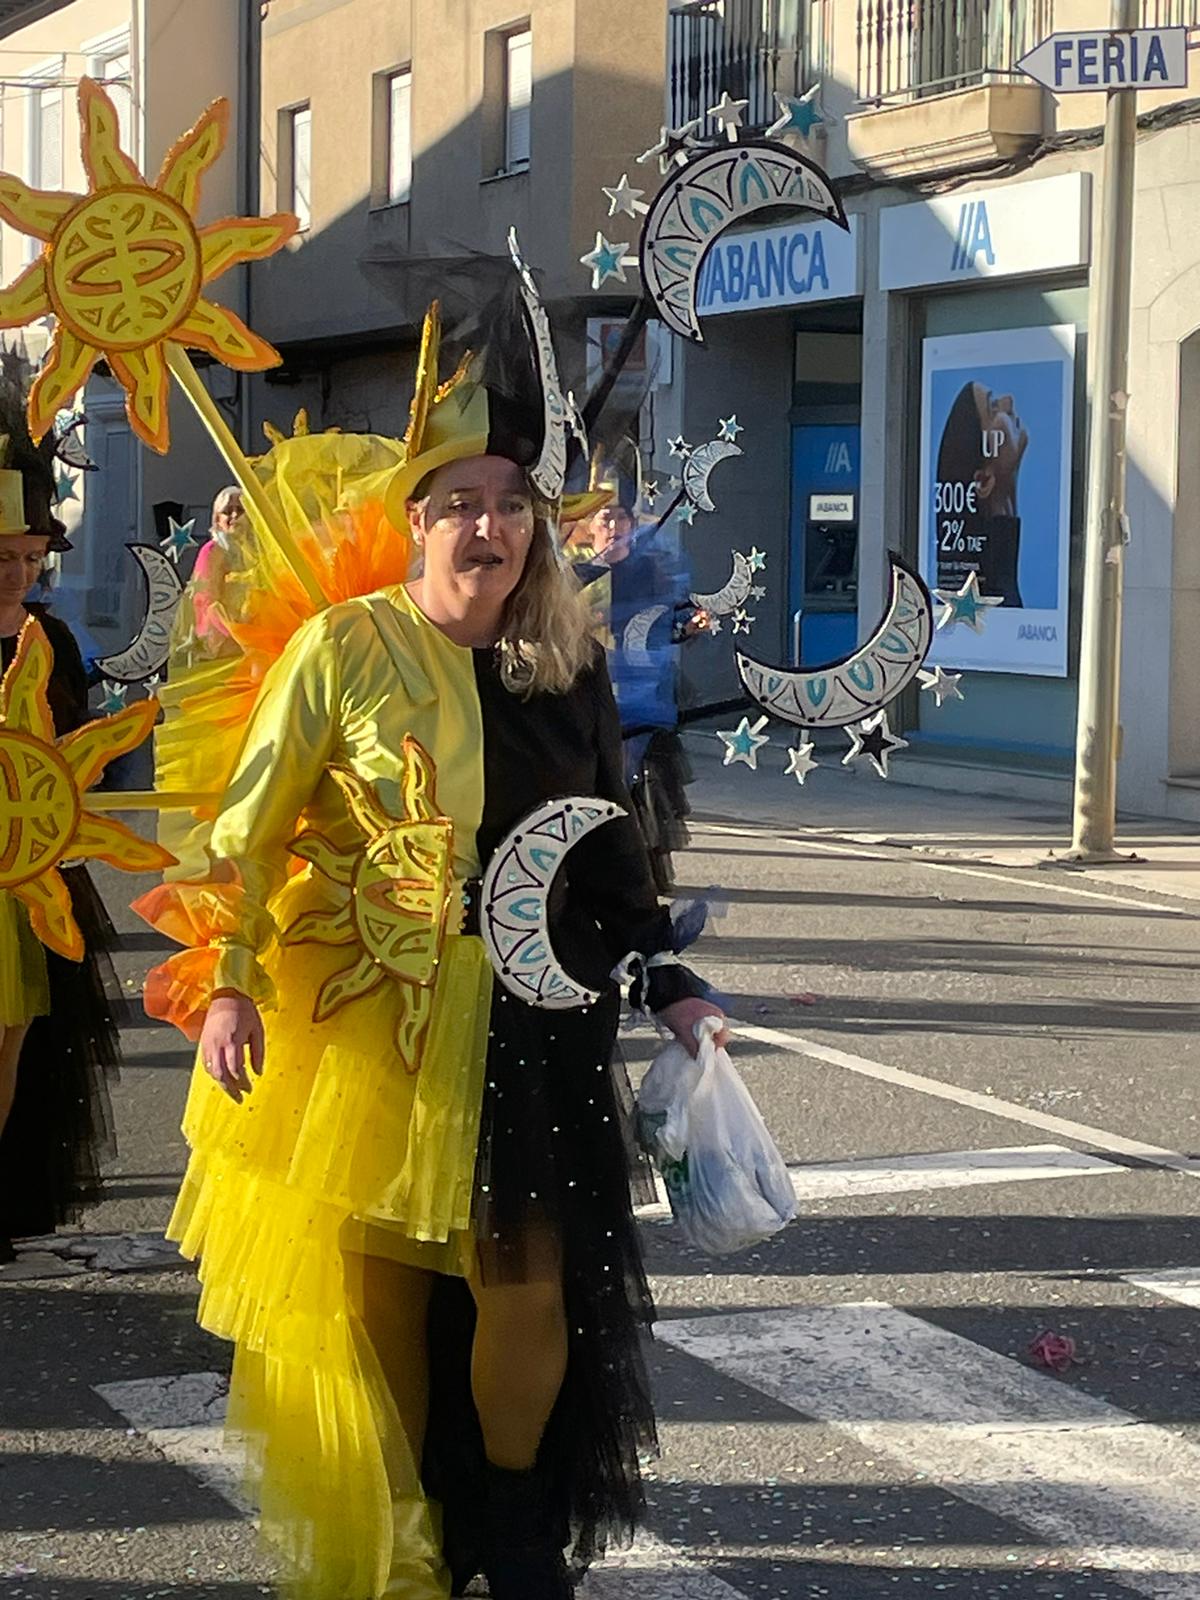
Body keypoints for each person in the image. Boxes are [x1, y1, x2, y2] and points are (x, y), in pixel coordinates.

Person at [139, 297, 727, 1599]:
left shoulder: (562, 662)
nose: (490, 524)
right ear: (416, 521)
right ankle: (403, 1539)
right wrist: (230, 986)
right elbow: (245, 831)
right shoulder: (339, 651)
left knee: (526, 1280)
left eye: (511, 501)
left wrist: (666, 978)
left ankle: (509, 1535)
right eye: (460, 500)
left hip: (538, 1013)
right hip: (369, 1019)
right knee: (383, 1303)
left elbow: (607, 844)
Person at [0, 402, 119, 1266]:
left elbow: (88, 764)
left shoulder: (57, 639)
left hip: (36, 883)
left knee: (16, 1048)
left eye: (31, 559)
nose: (17, 573)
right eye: (3, 557)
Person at [574, 500, 708, 893]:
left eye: (621, 517)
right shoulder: (576, 574)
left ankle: (642, 875)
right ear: (591, 528)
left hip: (644, 697)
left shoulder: (654, 572)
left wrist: (692, 625)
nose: (614, 526)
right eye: (605, 518)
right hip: (592, 696)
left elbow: (677, 617)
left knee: (644, 786)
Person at [934, 380, 1028, 608]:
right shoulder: (993, 599)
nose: (1008, 401)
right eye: (993, 407)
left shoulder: (997, 592)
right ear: (984, 481)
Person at [188, 484, 243, 646]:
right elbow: (207, 598)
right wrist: (234, 633)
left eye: (240, 510)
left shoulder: (254, 550)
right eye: (227, 511)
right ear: (217, 519)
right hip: (220, 637)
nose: (234, 515)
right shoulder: (212, 551)